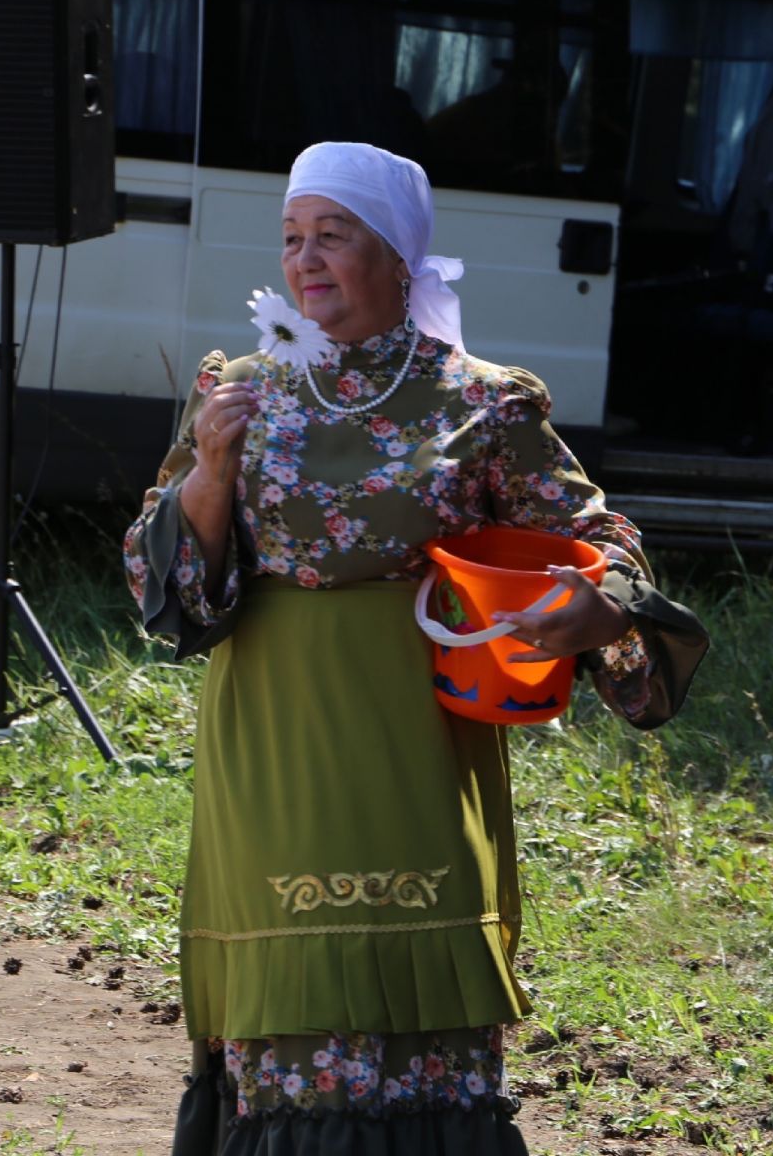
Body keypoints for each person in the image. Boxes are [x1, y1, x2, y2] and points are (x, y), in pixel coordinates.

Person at [123, 141, 709, 1155]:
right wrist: (210, 472)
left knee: (419, 1023)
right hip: (272, 751)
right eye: (292, 239)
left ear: (398, 258)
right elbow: (160, 589)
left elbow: (604, 547)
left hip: (417, 753)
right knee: (290, 1009)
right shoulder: (237, 391)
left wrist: (594, 610)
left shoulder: (482, 403)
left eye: (333, 236)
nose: (306, 260)